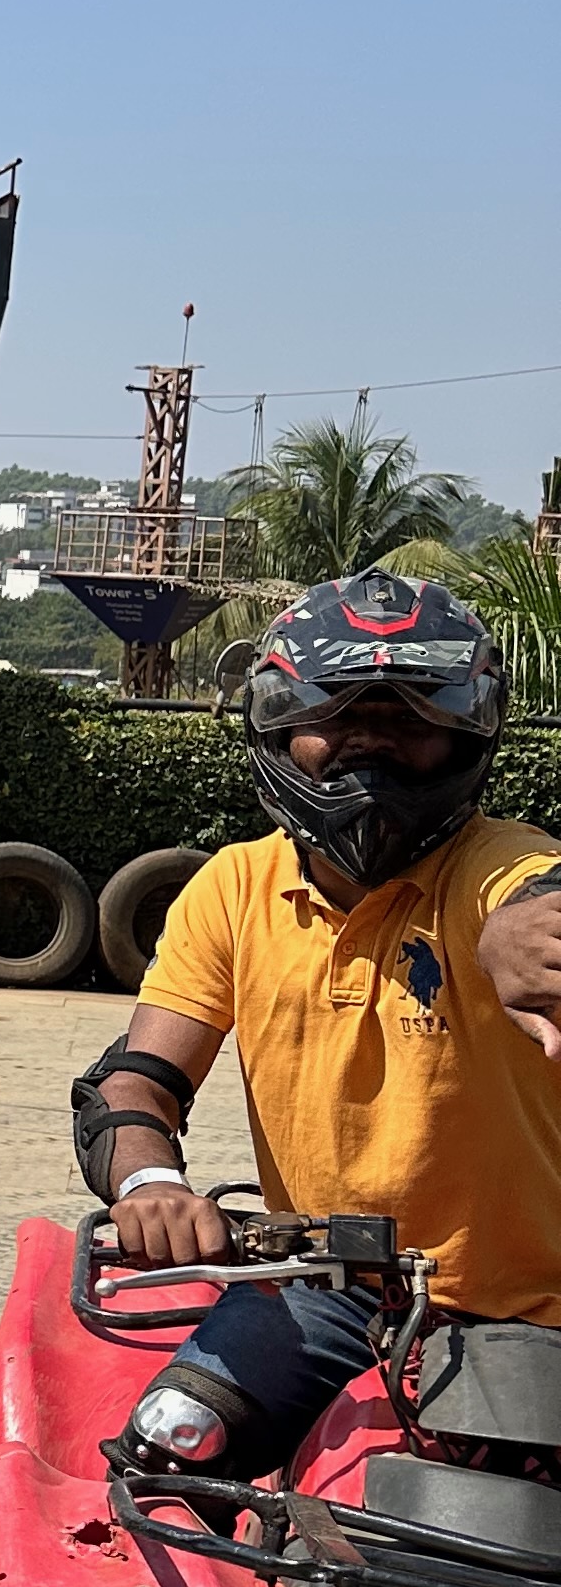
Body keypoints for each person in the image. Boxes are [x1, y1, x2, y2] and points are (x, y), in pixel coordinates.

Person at [76, 571, 561, 1471]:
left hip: (527, 1310)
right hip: (322, 1285)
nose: (370, 742)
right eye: (334, 714)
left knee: (491, 1525)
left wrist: (522, 945)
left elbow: (533, 900)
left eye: (411, 719)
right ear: (276, 727)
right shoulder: (234, 886)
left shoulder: (501, 866)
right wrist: (149, 1185)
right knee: (167, 1451)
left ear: (468, 734)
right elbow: (133, 1086)